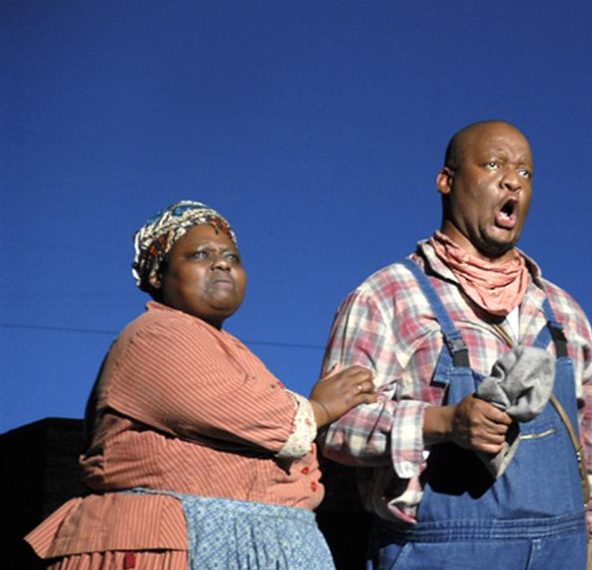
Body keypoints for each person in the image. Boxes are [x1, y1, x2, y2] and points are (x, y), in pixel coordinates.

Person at [319, 120, 592, 569]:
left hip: (562, 555)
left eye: (525, 173)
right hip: (437, 554)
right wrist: (442, 423)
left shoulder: (563, 314)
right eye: (493, 165)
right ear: (446, 180)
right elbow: (336, 428)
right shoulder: (387, 296)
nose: (513, 181)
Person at [25, 200, 377, 569]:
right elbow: (240, 410)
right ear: (158, 275)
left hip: (248, 538)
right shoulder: (156, 335)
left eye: (232, 257)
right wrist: (319, 409)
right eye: (200, 254)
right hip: (171, 543)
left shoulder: (226, 348)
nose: (222, 263)